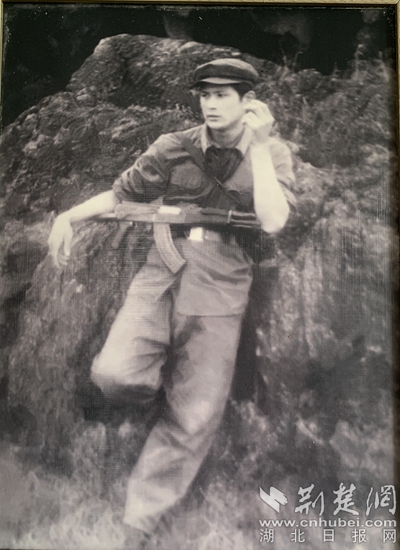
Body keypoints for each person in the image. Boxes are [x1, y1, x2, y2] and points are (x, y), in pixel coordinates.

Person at [48, 58, 295, 548]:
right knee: (113, 374)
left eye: (223, 95)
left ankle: (138, 525)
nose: (211, 104)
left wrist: (262, 147)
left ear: (248, 101)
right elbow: (121, 194)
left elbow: (272, 221)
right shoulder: (173, 147)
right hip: (163, 270)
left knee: (195, 418)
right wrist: (69, 216)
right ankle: (164, 394)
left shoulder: (272, 153)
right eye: (205, 94)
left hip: (223, 281)